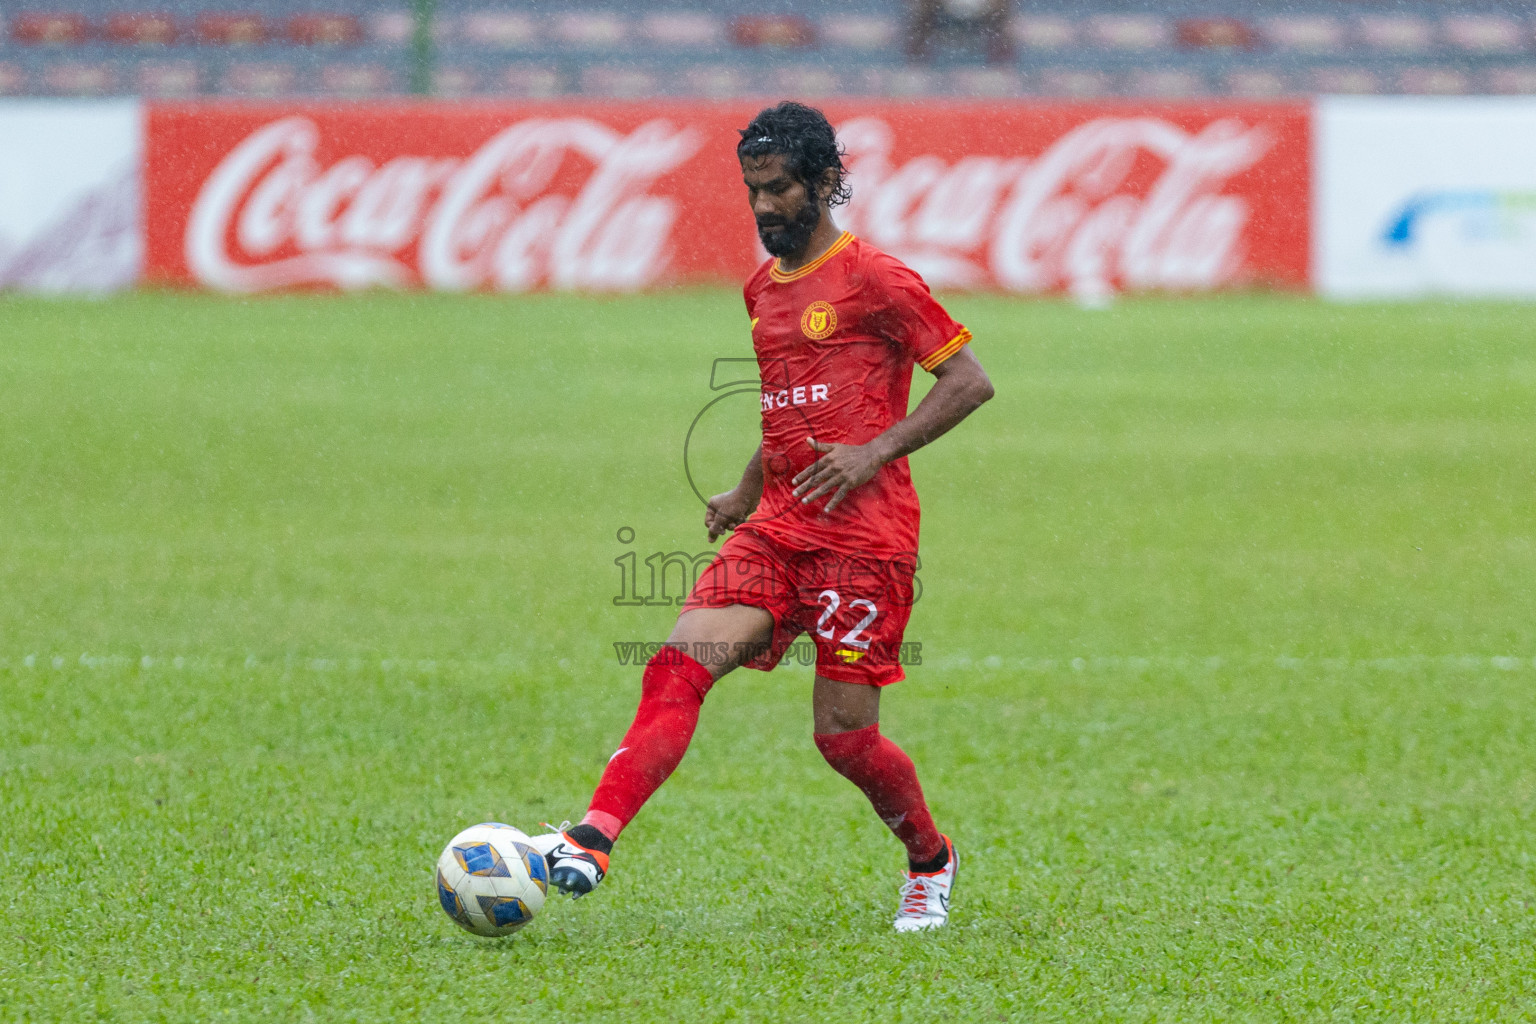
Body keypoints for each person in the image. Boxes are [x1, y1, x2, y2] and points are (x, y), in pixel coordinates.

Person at [531, 101, 994, 932]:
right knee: (677, 664)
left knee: (845, 740)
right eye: (753, 191)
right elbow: (787, 411)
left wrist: (872, 452)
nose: (764, 208)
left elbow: (970, 384)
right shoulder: (760, 293)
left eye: (779, 189)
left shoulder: (879, 280)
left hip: (866, 540)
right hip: (778, 528)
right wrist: (747, 490)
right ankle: (593, 835)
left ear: (823, 182)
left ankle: (930, 858)